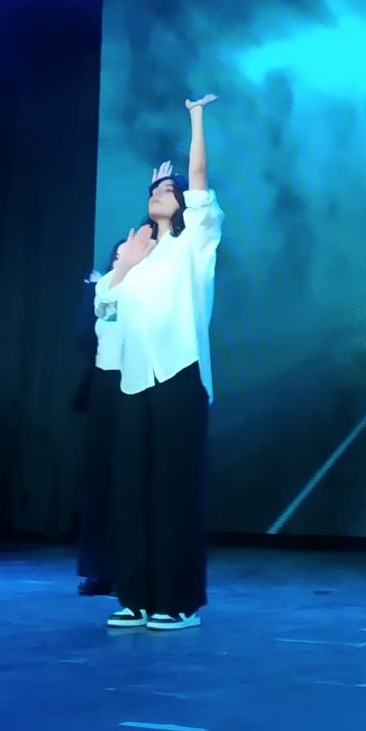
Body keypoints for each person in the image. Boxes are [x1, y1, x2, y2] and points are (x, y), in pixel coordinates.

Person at [94, 95, 222, 632]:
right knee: (134, 489)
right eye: (154, 190)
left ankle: (178, 601)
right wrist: (125, 264)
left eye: (168, 190)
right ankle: (137, 596)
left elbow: (199, 178)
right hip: (134, 382)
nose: (159, 194)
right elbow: (104, 306)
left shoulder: (196, 242)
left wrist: (195, 117)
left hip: (179, 376)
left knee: (173, 492)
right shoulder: (138, 255)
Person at [76, 225, 156, 598]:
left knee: (134, 479)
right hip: (104, 386)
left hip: (138, 383)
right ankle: (99, 570)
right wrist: (92, 293)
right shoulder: (102, 289)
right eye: (119, 253)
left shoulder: (148, 290)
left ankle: (134, 570)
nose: (124, 256)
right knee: (100, 481)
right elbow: (81, 339)